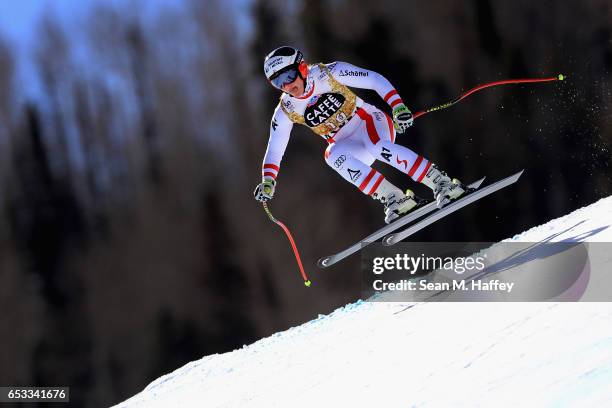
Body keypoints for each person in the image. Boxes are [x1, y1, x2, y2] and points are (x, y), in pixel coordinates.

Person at [254, 46, 464, 224]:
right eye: (277, 82)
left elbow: (374, 80)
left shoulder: (328, 73)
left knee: (375, 145)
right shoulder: (287, 108)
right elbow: (275, 146)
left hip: (370, 122)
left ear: (301, 67)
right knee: (332, 155)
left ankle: (441, 182)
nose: (287, 86)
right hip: (349, 143)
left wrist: (397, 106)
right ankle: (395, 197)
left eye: (288, 76)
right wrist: (268, 180)